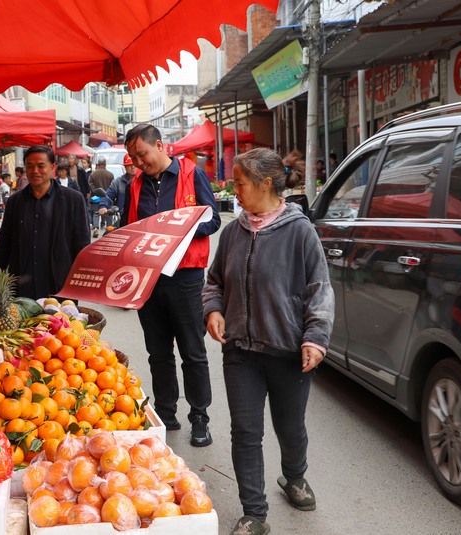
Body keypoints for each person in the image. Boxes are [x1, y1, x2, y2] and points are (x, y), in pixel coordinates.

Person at [201, 148, 334, 535]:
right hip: (240, 351)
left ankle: (294, 476)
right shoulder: (232, 232)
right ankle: (254, 512)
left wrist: (315, 338)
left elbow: (319, 290)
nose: (234, 190)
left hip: (288, 351)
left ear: (264, 184)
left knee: (290, 427)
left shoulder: (300, 231)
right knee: (245, 431)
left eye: (240, 184)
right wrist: (214, 310)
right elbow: (214, 282)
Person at [122, 123, 220, 447]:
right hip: (149, 281)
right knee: (158, 352)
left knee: (193, 351)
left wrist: (182, 229)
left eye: (142, 155)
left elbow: (213, 219)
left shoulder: (192, 176)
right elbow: (128, 227)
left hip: (186, 279)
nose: (139, 163)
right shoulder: (135, 184)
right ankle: (166, 413)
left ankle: (199, 417)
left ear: (160, 146)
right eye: (134, 158)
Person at [0, 145, 90, 299]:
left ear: (53, 167)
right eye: (30, 166)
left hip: (59, 286)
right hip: (22, 287)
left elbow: (82, 245)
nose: (35, 171)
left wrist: (80, 282)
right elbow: (4, 245)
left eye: (41, 165)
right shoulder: (15, 202)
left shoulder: (73, 200)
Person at [98, 153, 134, 227]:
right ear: (125, 167)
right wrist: (103, 206)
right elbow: (107, 196)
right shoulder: (118, 182)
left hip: (142, 220)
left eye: (134, 164)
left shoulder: (145, 181)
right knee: (107, 235)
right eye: (129, 165)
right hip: (122, 219)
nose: (132, 167)